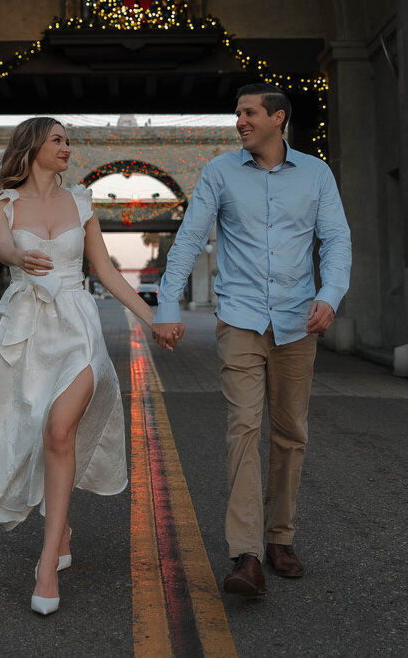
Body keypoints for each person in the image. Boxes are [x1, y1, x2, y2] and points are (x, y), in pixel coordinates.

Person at [0, 116, 175, 616]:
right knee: (41, 433)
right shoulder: (2, 202)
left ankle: (48, 560)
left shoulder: (82, 202)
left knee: (57, 430)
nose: (67, 148)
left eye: (68, 141)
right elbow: (5, 246)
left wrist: (154, 319)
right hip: (29, 331)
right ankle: (62, 527)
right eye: (58, 140)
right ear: (32, 147)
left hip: (78, 326)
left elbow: (107, 271)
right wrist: (18, 258)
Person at [152, 83, 351, 597]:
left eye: (248, 113)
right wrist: (168, 307)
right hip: (240, 318)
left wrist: (329, 295)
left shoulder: (316, 174)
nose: (239, 121)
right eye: (238, 113)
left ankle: (281, 537)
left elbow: (335, 239)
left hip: (297, 322)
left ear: (277, 118)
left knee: (290, 433)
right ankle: (246, 554)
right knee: (243, 427)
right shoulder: (220, 172)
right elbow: (191, 237)